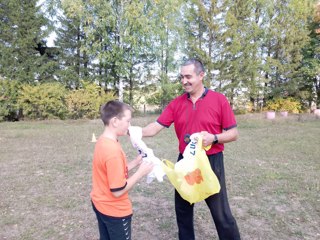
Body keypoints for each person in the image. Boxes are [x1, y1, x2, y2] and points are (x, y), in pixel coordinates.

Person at [142, 59, 241, 240]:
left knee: (221, 214)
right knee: (183, 211)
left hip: (211, 161)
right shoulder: (176, 103)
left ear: (201, 75)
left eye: (188, 76)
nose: (184, 81)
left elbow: (234, 133)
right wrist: (131, 132)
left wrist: (214, 137)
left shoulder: (219, 100)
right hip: (185, 162)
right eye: (182, 77)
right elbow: (155, 127)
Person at [90, 100, 154, 240]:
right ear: (115, 121)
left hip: (100, 204)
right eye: (128, 121)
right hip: (115, 211)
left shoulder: (103, 141)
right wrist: (140, 173)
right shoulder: (112, 151)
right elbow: (118, 190)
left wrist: (135, 163)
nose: (129, 125)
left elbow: (112, 172)